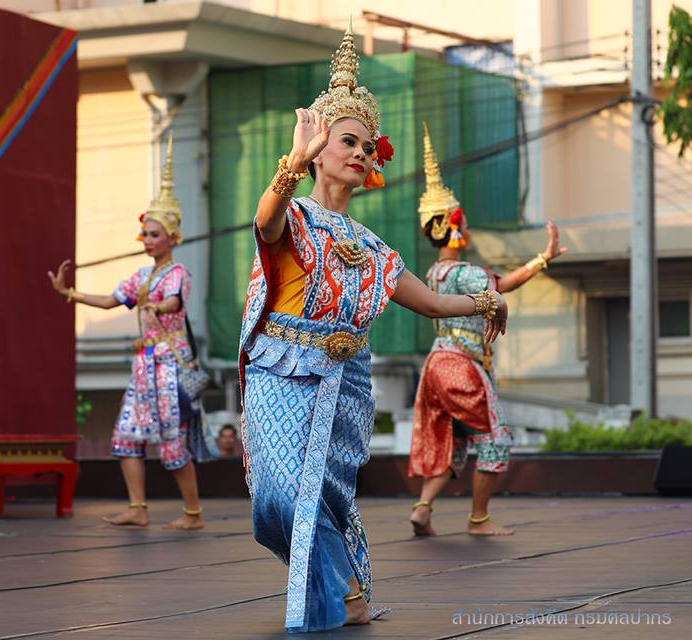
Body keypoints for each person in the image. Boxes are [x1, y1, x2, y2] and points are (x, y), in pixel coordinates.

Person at [239, 29, 509, 632]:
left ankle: (349, 594)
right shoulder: (296, 215)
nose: (360, 153)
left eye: (367, 145)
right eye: (347, 141)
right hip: (281, 371)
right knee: (278, 496)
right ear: (318, 150)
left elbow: (432, 304)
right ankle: (345, 588)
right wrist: (291, 166)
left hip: (341, 380)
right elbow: (265, 221)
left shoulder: (373, 247)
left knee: (320, 493)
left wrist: (486, 299)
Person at [408, 124, 567, 537]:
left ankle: (423, 508)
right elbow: (501, 289)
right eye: (465, 224)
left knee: (455, 440)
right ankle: (478, 518)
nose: (469, 231)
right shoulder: (467, 273)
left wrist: (541, 260)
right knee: (495, 438)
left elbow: (498, 285)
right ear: (455, 227)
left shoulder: (435, 272)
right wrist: (539, 262)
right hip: (463, 364)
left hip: (436, 364)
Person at [50, 137, 207, 530]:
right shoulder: (141, 276)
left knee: (172, 441)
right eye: (145, 234)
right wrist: (70, 293)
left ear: (172, 236)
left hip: (169, 366)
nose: (147, 241)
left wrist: (157, 306)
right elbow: (110, 300)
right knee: (126, 436)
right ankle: (138, 508)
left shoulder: (178, 273)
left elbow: (174, 302)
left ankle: (192, 513)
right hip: (143, 366)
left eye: (154, 234)